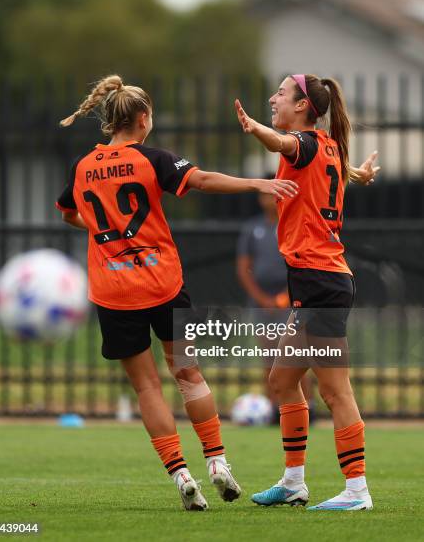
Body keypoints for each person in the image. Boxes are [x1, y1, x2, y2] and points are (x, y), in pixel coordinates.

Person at [56, 74, 299, 511]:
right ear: (143, 119)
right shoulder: (152, 159)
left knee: (147, 388)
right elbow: (201, 180)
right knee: (188, 374)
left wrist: (103, 230)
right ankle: (218, 462)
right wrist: (257, 184)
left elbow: (70, 213)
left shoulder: (82, 166)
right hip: (163, 283)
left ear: (110, 121)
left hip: (113, 291)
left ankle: (181, 474)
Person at [235, 74, 380, 511]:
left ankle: (357, 491)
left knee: (336, 392)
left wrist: (256, 128)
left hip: (322, 282)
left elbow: (283, 146)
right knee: (281, 380)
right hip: (315, 282)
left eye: (281, 93)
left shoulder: (305, 143)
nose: (273, 98)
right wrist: (360, 173)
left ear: (302, 107)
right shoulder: (328, 147)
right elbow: (320, 164)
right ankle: (294, 482)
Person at [236, 175, 315, 423]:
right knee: (269, 358)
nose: (268, 198)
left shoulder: (294, 225)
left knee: (296, 356)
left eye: (273, 193)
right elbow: (243, 268)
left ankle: (307, 407)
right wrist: (262, 298)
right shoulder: (252, 228)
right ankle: (274, 408)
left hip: (292, 302)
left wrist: (284, 298)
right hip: (263, 304)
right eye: (265, 193)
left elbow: (303, 266)